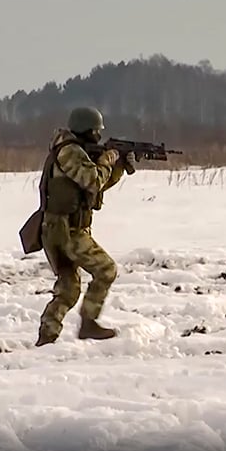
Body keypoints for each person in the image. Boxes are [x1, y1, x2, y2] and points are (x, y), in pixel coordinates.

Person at [35, 107, 134, 346]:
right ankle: (88, 324)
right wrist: (106, 162)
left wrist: (118, 166)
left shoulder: (74, 150)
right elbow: (92, 179)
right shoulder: (70, 152)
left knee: (68, 289)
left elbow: (95, 187)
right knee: (106, 269)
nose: (98, 136)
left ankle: (46, 338)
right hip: (66, 231)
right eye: (95, 131)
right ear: (86, 130)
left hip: (61, 229)